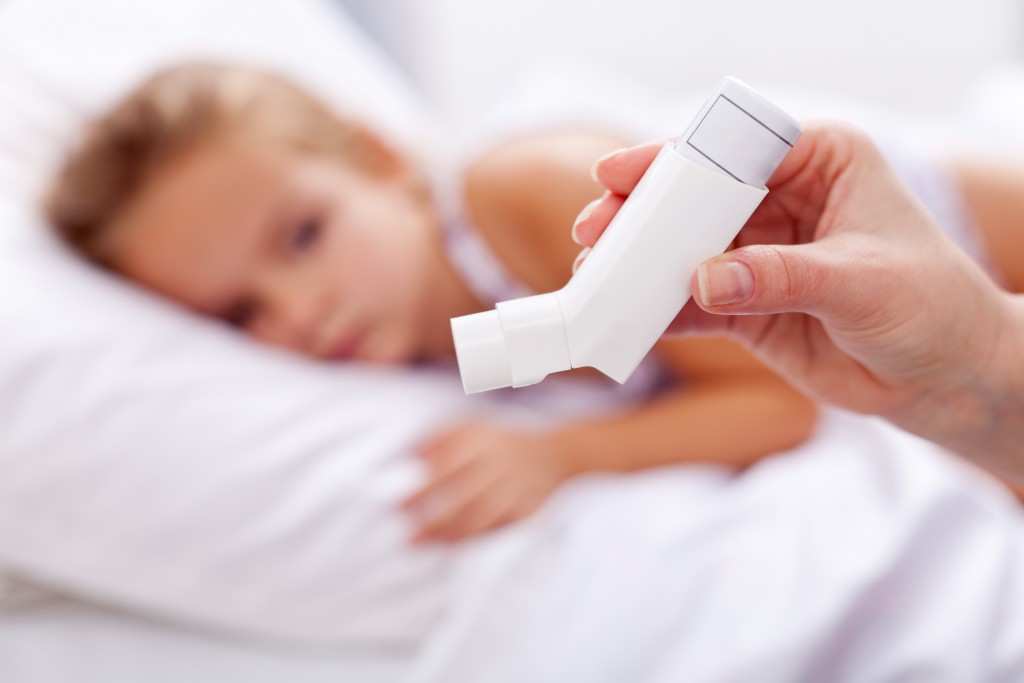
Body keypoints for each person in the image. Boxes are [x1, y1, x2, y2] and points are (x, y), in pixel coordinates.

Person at [44, 63, 817, 542]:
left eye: (304, 235)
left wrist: (565, 456)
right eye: (240, 312)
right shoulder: (409, 353)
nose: (298, 311)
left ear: (379, 159)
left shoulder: (530, 198)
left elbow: (782, 399)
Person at [572, 122, 1024, 482]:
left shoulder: (543, 188)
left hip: (902, 216)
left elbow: (781, 407)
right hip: (877, 305)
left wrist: (567, 455)